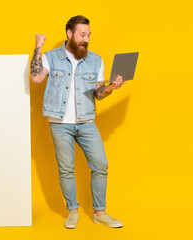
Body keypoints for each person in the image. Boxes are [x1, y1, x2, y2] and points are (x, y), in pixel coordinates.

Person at [30, 15, 126, 229]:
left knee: (100, 165)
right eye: (82, 34)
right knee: (66, 169)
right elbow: (36, 77)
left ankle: (99, 212)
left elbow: (98, 94)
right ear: (70, 34)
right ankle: (72, 211)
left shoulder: (95, 60)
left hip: (86, 121)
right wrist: (38, 44)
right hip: (59, 122)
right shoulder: (51, 57)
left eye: (89, 35)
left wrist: (110, 88)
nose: (86, 39)